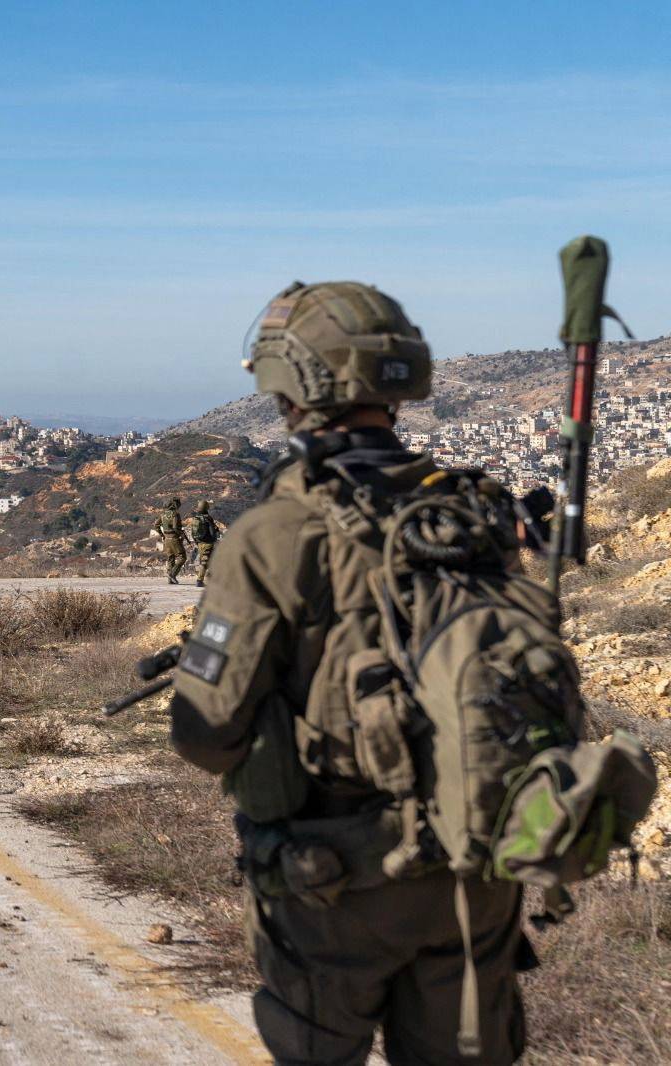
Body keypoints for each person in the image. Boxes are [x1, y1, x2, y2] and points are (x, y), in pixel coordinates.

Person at [168, 281, 530, 1064]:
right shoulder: (471, 511)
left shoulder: (276, 532)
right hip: (478, 870)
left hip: (335, 881)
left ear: (294, 383)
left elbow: (207, 732)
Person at [184, 500, 221, 588]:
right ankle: (199, 581)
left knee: (207, 561)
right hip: (208, 543)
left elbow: (193, 533)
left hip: (200, 543)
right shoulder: (208, 518)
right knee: (206, 562)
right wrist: (214, 538)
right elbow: (212, 532)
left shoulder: (196, 518)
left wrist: (197, 542)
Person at [152, 497, 186, 584]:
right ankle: (172, 574)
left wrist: (162, 535)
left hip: (166, 540)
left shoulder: (162, 515)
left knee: (171, 558)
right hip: (174, 538)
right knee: (182, 557)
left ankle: (170, 580)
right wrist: (181, 533)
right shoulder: (175, 514)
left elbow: (156, 525)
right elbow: (175, 527)